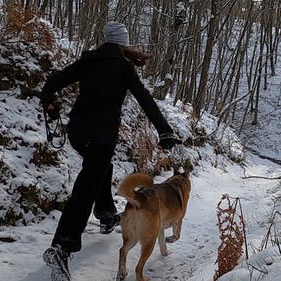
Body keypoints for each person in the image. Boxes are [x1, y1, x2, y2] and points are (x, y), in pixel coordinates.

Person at [39, 22, 180, 281]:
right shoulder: (123, 68)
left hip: (78, 134)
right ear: (122, 44)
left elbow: (54, 81)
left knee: (100, 169)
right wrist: (165, 131)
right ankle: (62, 247)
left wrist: (48, 100)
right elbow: (145, 99)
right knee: (86, 186)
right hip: (102, 137)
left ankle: (105, 215)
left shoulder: (88, 60)